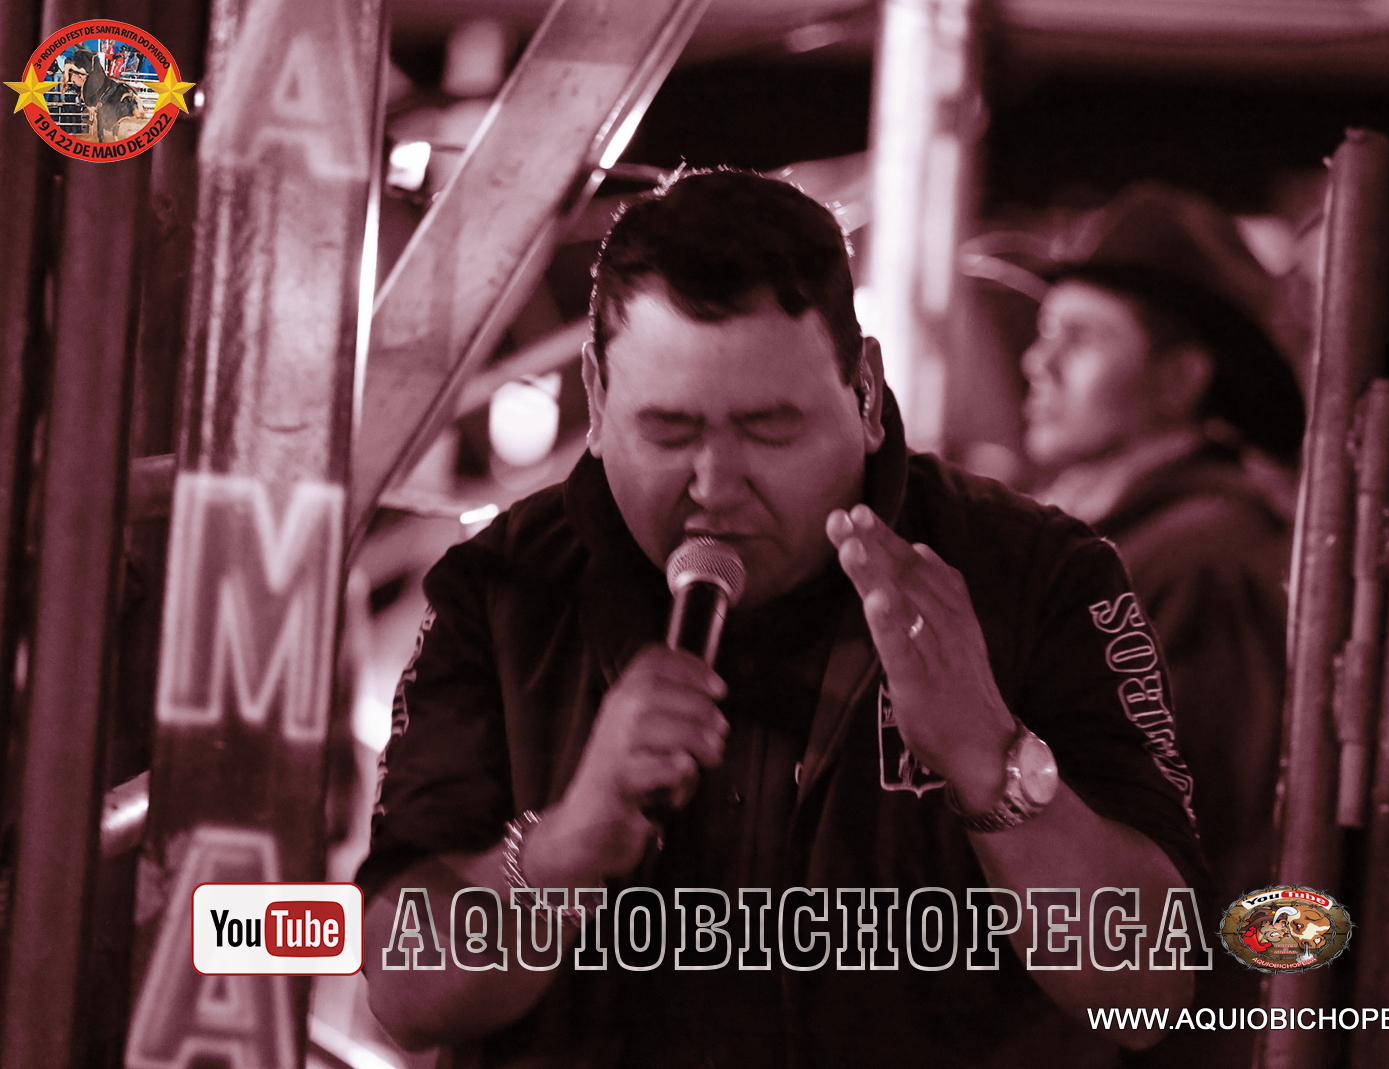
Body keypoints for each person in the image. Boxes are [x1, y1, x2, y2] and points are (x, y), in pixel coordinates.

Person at [358, 169, 1205, 1069]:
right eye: (670, 431)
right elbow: (401, 995)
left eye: (770, 429)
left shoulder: (1038, 575)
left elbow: (1152, 985)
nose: (715, 485)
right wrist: (558, 851)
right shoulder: (503, 587)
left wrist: (990, 759)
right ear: (597, 400)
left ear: (866, 394)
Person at [1019, 183, 1305, 1067]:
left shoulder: (1205, 559)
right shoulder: (1098, 541)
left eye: (1080, 338)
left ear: (1182, 377)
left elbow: (1192, 840)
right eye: (1043, 333)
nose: (1037, 363)